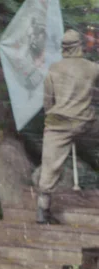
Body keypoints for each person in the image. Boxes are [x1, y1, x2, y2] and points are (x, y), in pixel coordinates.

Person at [37, 29, 99, 224]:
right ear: (80, 46)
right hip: (86, 123)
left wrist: (53, 117)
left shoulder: (53, 69)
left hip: (58, 124)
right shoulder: (92, 68)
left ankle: (42, 211)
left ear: (63, 48)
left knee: (49, 166)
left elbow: (48, 101)